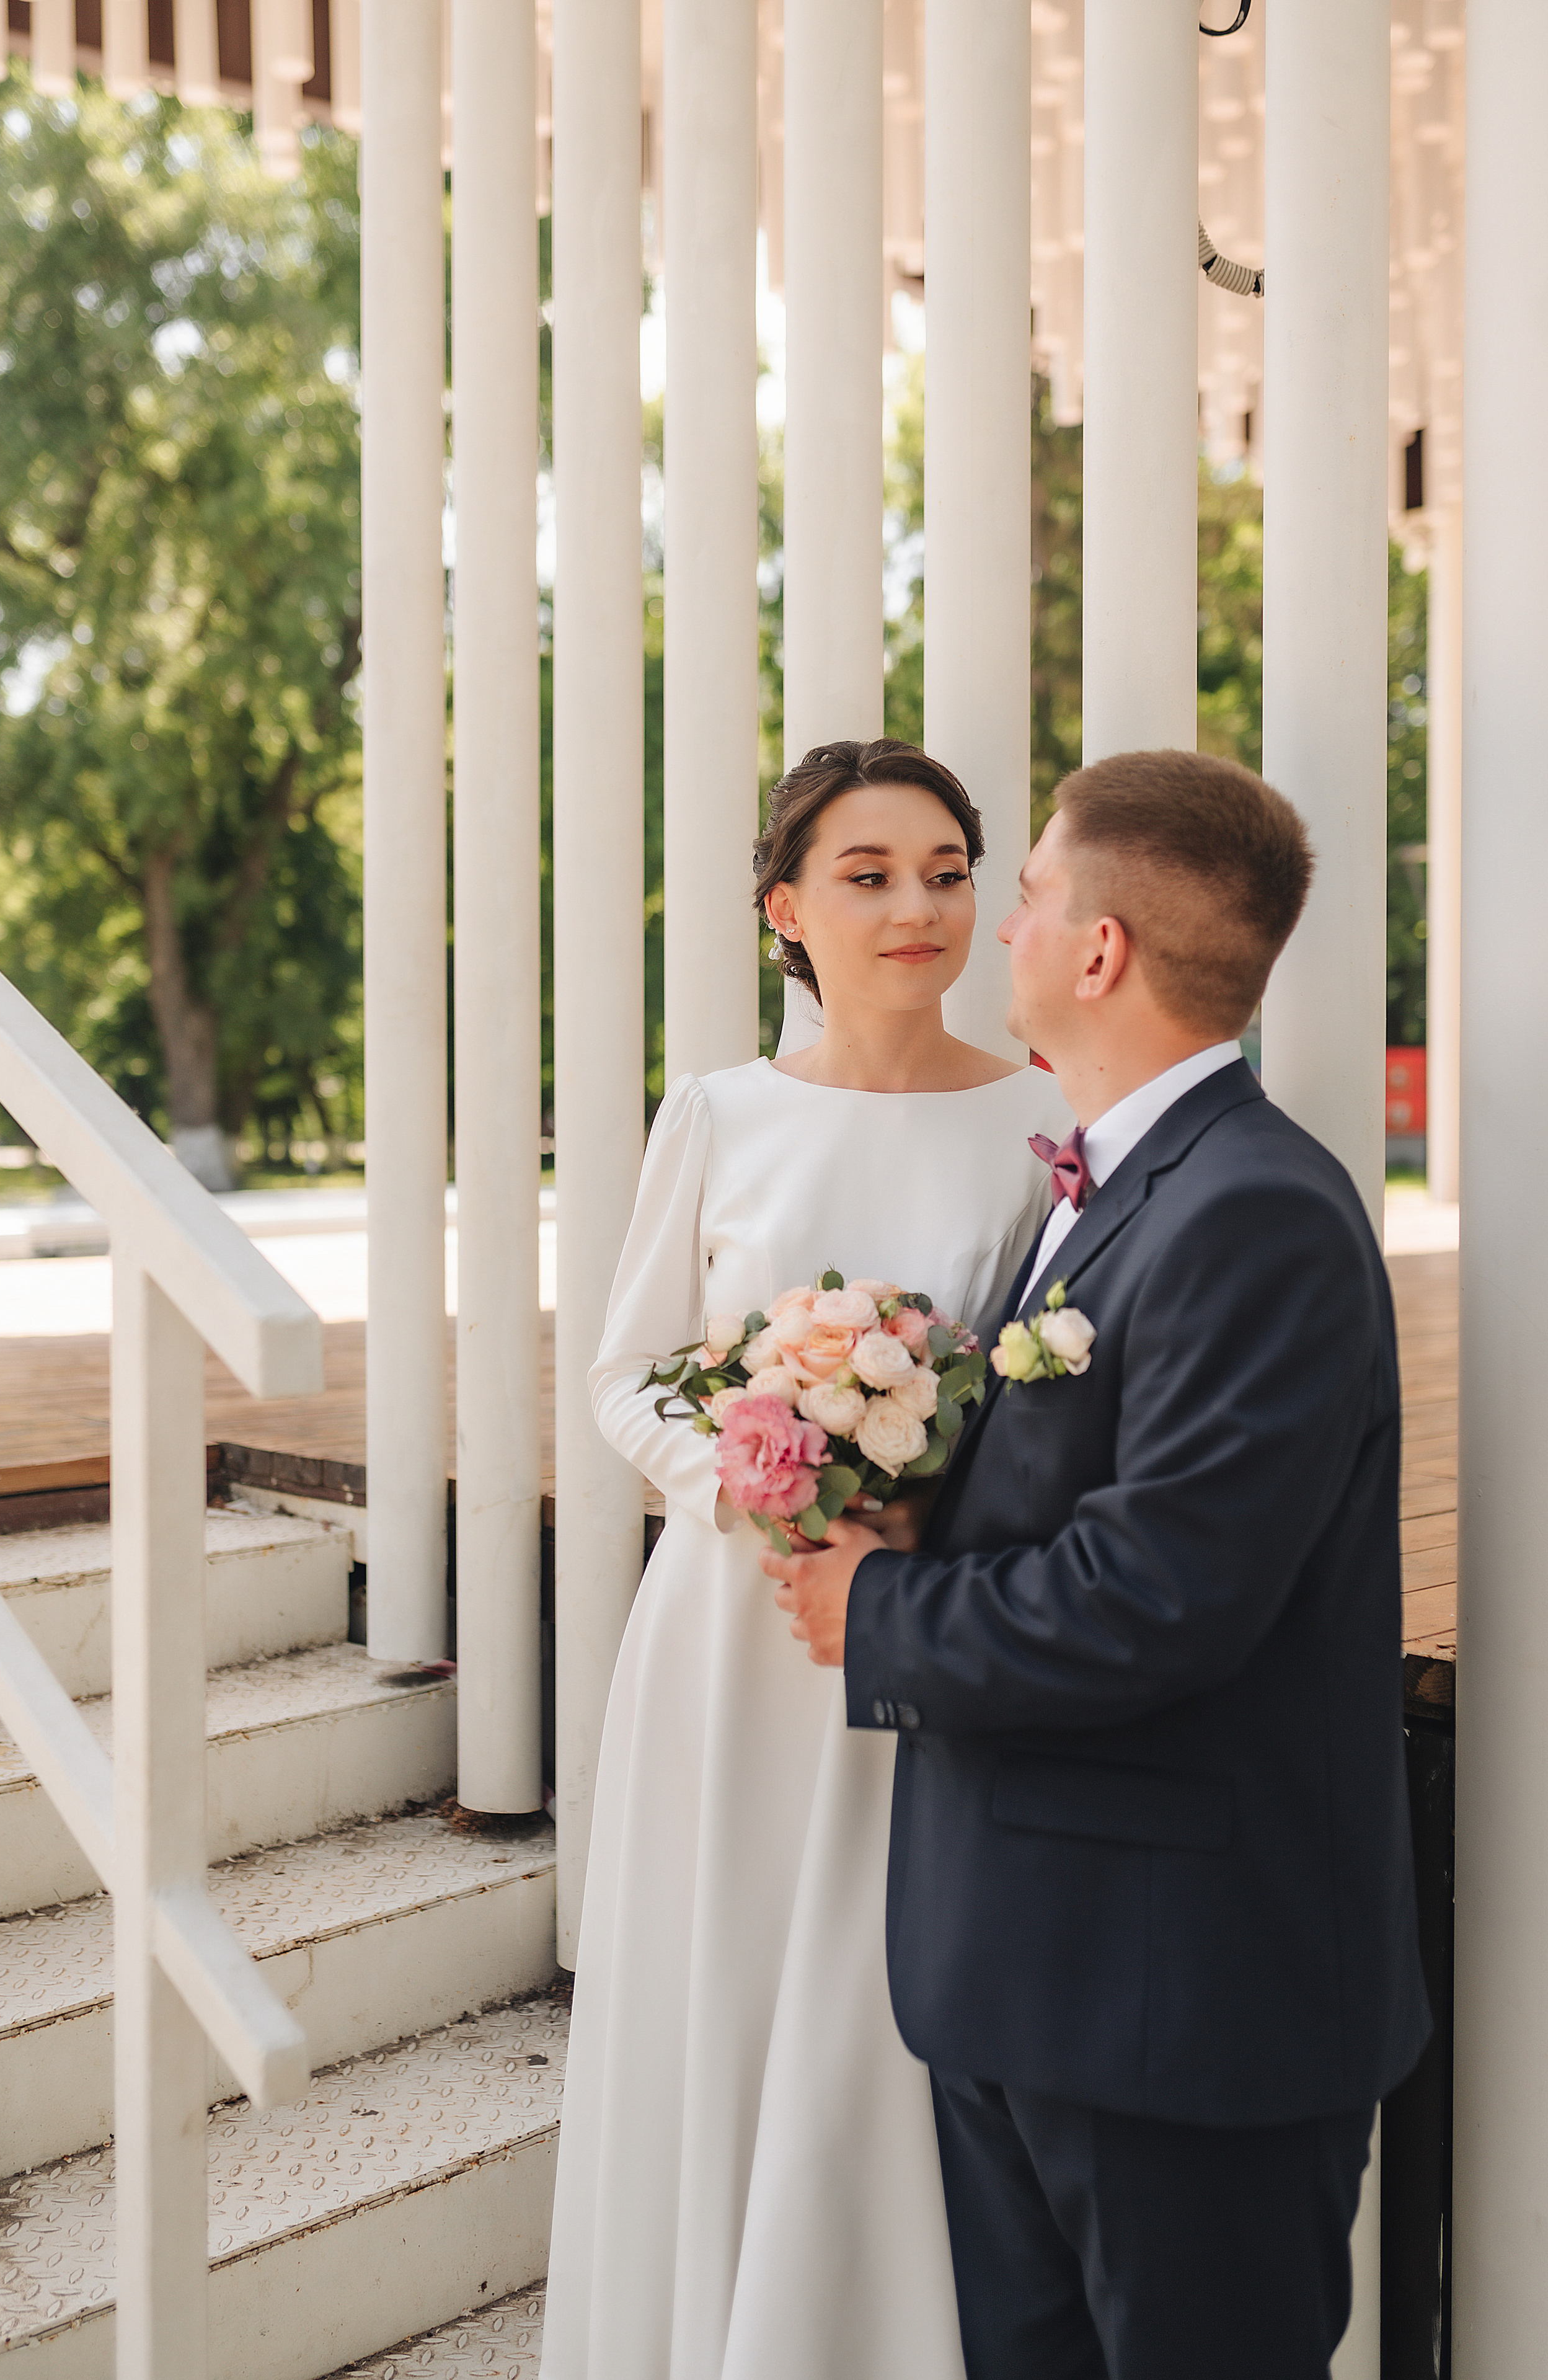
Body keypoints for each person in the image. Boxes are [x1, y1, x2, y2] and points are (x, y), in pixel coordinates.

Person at [762, 747, 1432, 2380]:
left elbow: (1160, 1597)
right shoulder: (1103, 1187)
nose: (1005, 928)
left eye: (1034, 893)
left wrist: (877, 1608)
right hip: (1033, 1978)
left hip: (1181, 2012)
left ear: (1101, 953)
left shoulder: (1254, 1211)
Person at [540, 738, 1074, 2379]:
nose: (917, 905)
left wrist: (929, 1506)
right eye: (868, 873)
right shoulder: (718, 1112)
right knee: (728, 1983)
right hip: (729, 1637)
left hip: (921, 1629)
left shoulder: (1049, 1115)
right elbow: (628, 1370)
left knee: (881, 2008)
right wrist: (759, 1491)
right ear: (785, 908)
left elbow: (1059, 1370)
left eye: (947, 870)